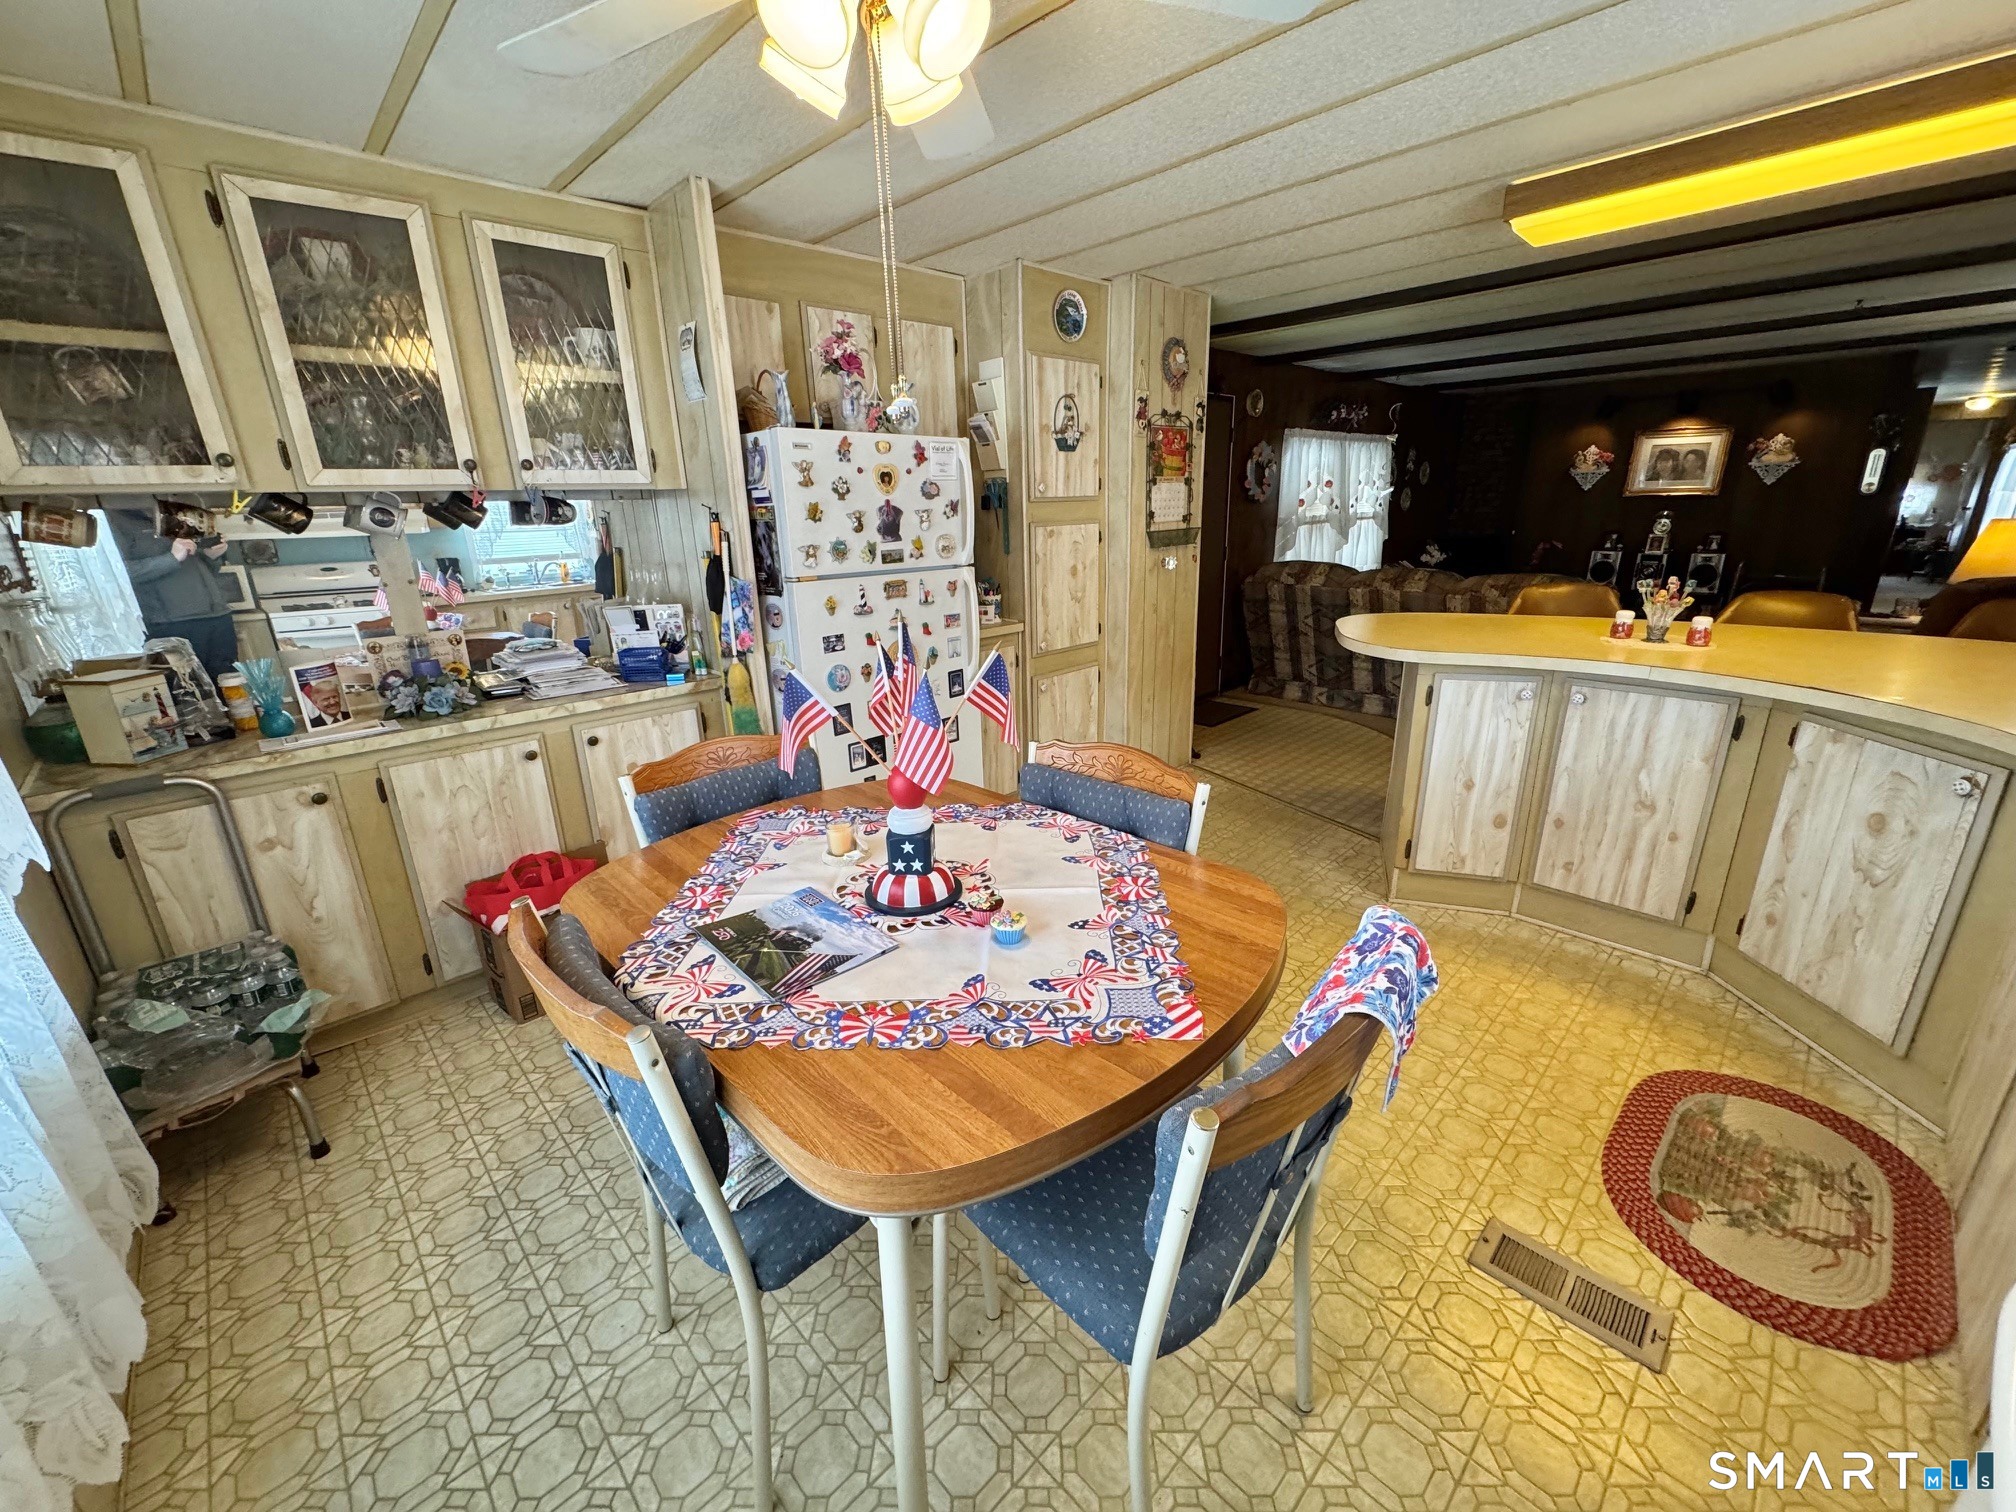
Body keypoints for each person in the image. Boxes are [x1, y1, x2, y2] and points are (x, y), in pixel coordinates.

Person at [106, 504, 238, 677]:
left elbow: (201, 568)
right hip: (171, 624)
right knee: (188, 690)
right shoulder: (113, 520)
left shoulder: (179, 511)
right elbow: (116, 573)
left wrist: (211, 556)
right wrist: (171, 558)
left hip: (218, 617)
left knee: (231, 683)